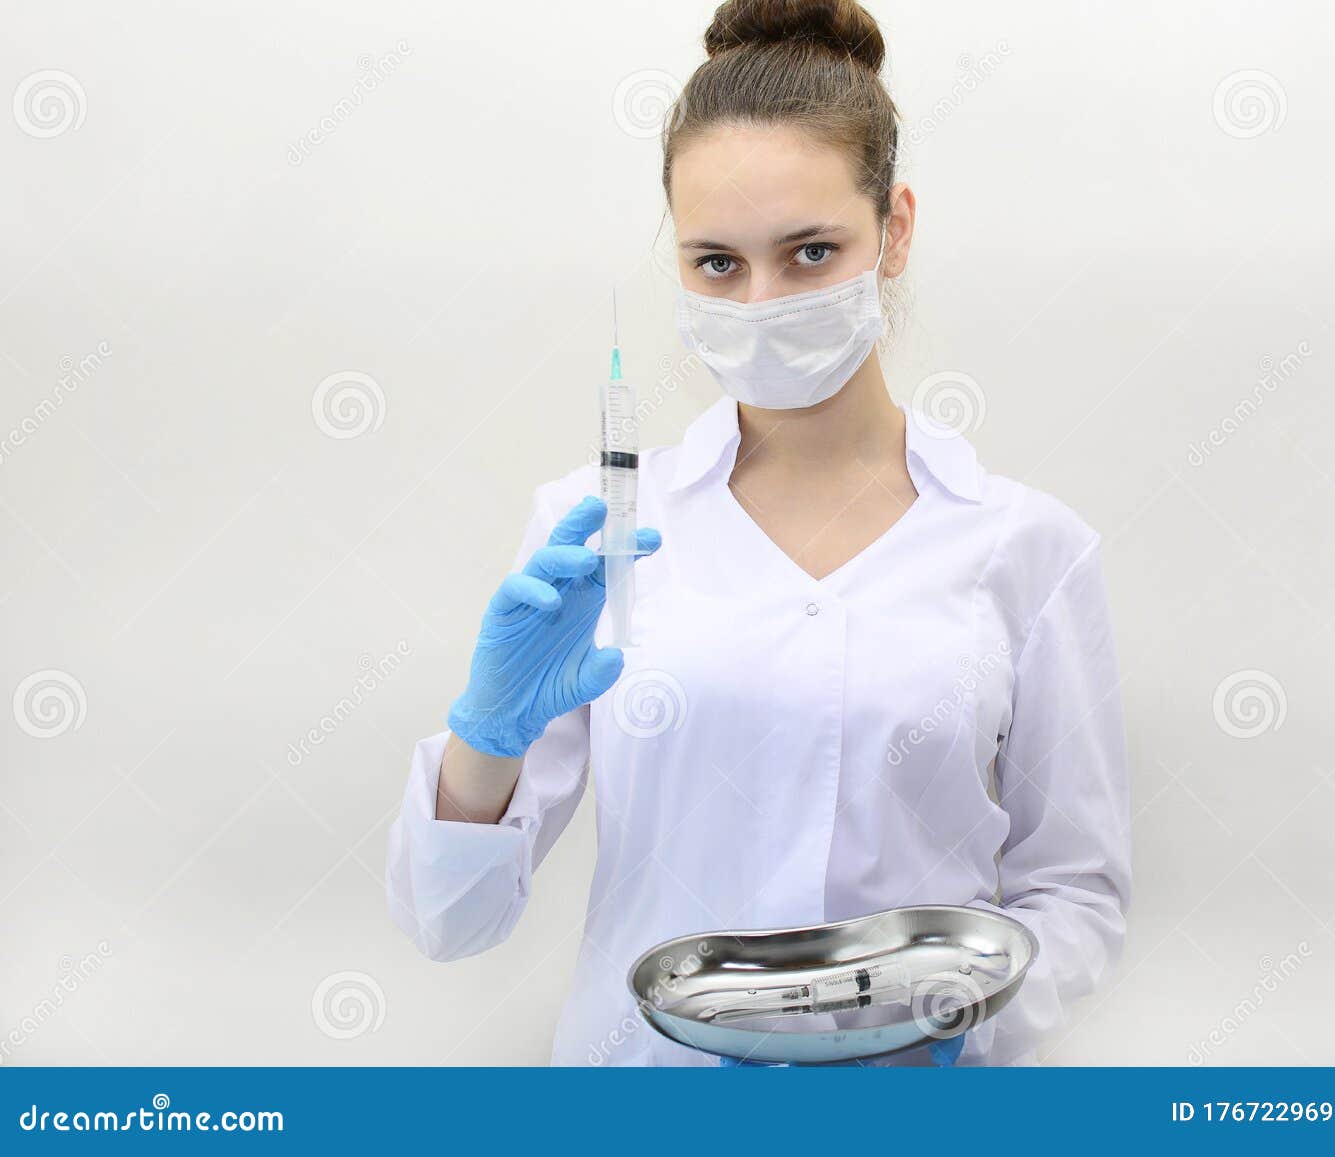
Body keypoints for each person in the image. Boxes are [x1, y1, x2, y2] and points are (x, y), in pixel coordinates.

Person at [386, 0, 1130, 1066]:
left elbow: (1076, 889)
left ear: (896, 230)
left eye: (812, 251)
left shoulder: (1026, 548)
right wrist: (486, 741)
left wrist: (963, 1030)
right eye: (717, 263)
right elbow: (448, 922)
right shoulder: (595, 530)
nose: (763, 299)